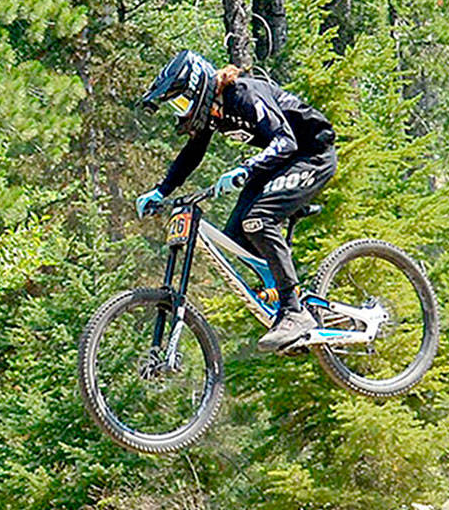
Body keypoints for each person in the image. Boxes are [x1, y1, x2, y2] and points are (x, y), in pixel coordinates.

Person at [137, 49, 336, 353]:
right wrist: (161, 191)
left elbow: (285, 140)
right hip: (280, 164)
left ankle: (293, 310)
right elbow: (192, 154)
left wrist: (245, 168)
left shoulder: (242, 94)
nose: (181, 112)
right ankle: (282, 295)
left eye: (181, 102)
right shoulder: (214, 114)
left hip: (311, 156)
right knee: (236, 239)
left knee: (258, 220)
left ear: (199, 88)